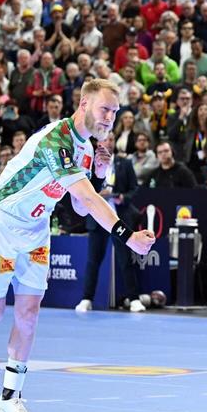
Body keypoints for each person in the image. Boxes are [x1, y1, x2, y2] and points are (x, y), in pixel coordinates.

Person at [0, 79, 156, 412]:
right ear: (84, 104)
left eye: (116, 113)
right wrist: (126, 235)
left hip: (37, 233)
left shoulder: (87, 149)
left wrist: (99, 174)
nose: (110, 118)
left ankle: (10, 397)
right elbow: (87, 201)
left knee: (28, 313)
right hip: (2, 226)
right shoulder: (56, 139)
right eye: (105, 109)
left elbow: (80, 208)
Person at [75, 132, 144, 313]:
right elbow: (84, 190)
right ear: (99, 142)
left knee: (125, 259)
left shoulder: (125, 163)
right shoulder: (88, 163)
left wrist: (123, 197)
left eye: (112, 139)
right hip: (97, 218)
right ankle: (86, 299)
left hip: (119, 217)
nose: (109, 142)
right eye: (106, 138)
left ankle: (134, 299)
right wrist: (98, 193)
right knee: (93, 261)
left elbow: (134, 188)